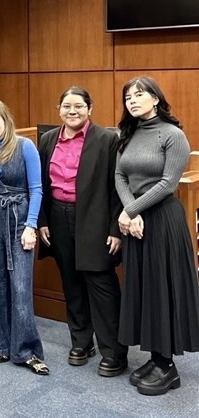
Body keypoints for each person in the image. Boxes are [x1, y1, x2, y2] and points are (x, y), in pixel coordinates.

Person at [115, 76, 199, 396]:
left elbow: (167, 183)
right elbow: (120, 175)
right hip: (136, 221)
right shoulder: (129, 133)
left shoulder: (173, 135)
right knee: (145, 288)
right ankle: (154, 356)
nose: (132, 101)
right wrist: (130, 211)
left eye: (139, 95)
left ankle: (167, 366)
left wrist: (131, 210)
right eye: (127, 97)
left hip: (163, 220)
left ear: (155, 98)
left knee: (163, 288)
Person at [38, 87, 127, 377]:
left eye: (78, 105)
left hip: (96, 220)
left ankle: (113, 351)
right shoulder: (49, 139)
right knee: (71, 282)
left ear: (89, 108)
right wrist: (42, 221)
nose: (72, 111)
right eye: (66, 106)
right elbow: (40, 185)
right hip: (58, 218)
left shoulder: (106, 139)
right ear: (58, 109)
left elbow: (118, 187)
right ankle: (81, 341)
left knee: (101, 284)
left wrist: (115, 229)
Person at [0, 100, 48, 375]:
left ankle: (26, 350)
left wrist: (31, 226)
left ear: (6, 121)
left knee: (19, 286)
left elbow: (37, 189)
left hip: (19, 217)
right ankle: (0, 346)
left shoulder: (24, 146)